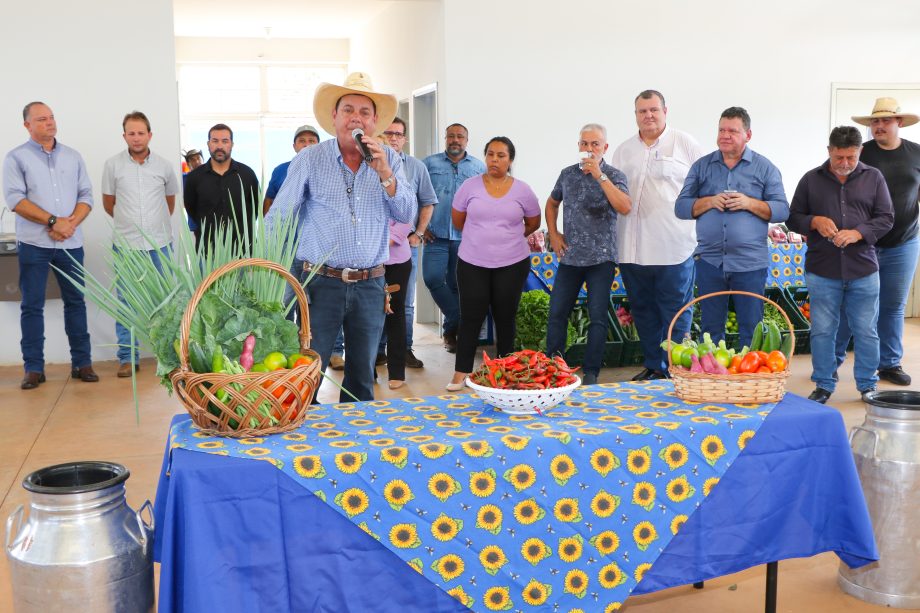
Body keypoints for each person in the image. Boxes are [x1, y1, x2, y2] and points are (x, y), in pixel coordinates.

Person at [265, 72, 415, 402]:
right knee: (309, 372)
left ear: (374, 121)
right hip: (320, 283)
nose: (355, 118)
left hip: (371, 285)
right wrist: (266, 270)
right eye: (348, 110)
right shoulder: (310, 158)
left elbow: (407, 213)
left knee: (363, 378)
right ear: (334, 117)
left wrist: (385, 175)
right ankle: (306, 446)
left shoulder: (389, 160)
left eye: (364, 112)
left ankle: (356, 447)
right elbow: (279, 218)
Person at [787, 126, 893, 404]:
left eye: (851, 157)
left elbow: (886, 217)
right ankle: (823, 383)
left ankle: (868, 385)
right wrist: (814, 221)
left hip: (864, 270)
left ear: (859, 152)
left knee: (866, 331)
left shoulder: (874, 178)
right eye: (839, 158)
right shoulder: (811, 180)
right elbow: (793, 217)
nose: (845, 164)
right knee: (822, 330)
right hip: (822, 270)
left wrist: (859, 233)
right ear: (829, 152)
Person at [675, 106, 789, 348]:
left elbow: (782, 210)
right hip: (710, 262)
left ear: (748, 135)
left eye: (732, 131)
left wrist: (750, 203)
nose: (725, 135)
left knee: (752, 328)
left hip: (749, 264)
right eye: (721, 130)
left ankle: (751, 382)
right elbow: (681, 208)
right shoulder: (701, 167)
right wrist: (708, 201)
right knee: (710, 329)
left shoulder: (765, 168)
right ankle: (715, 383)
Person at [3, 101, 98, 389]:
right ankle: (34, 368)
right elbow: (15, 200)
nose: (49, 122)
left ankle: (82, 363)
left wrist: (69, 224)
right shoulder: (15, 158)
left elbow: (87, 196)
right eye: (42, 119)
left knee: (76, 304)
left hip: (71, 243)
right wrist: (53, 221)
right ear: (27, 125)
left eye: (52, 117)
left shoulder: (73, 156)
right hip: (34, 244)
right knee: (32, 306)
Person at [612, 90, 705, 380]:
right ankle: (655, 365)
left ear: (665, 111)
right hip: (632, 248)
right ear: (635, 115)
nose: (648, 116)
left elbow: (705, 188)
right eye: (642, 111)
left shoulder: (685, 144)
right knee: (642, 309)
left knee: (675, 312)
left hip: (673, 247)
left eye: (653, 110)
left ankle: (677, 370)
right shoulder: (624, 150)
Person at [835, 98, 920, 386]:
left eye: (885, 121)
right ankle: (832, 359)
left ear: (899, 123)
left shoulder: (916, 154)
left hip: (904, 242)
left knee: (893, 306)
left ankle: (889, 363)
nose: (879, 126)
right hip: (863, 242)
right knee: (850, 303)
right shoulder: (860, 155)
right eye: (875, 121)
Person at [446, 136, 541, 391]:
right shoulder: (469, 186)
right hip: (472, 262)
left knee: (505, 318)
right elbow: (458, 220)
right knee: (470, 318)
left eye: (501, 155)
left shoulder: (523, 190)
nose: (494, 160)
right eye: (490, 154)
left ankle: (503, 373)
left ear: (510, 160)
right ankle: (461, 373)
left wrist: (506, 239)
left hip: (512, 262)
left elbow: (533, 222)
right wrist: (482, 239)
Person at [544, 124, 630, 386]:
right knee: (557, 313)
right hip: (570, 258)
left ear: (605, 147)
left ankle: (591, 373)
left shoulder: (614, 175)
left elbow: (624, 206)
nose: (589, 149)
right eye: (584, 143)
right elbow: (552, 202)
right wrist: (554, 234)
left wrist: (600, 176)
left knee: (598, 317)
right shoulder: (567, 174)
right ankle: (553, 369)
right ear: (578, 146)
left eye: (595, 144)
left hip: (601, 259)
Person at [102, 111, 178, 378]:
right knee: (126, 302)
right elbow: (108, 203)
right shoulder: (113, 165)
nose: (136, 138)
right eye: (131, 133)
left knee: (166, 302)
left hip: (160, 244)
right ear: (124, 136)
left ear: (150, 135)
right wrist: (131, 224)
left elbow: (169, 203)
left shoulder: (165, 166)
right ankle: (127, 358)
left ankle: (168, 357)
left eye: (141, 133)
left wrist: (153, 227)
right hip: (126, 246)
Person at [376, 117, 437, 369]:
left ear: (404, 138)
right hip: (372, 253)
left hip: (402, 248)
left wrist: (417, 234)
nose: (393, 138)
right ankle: (378, 352)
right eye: (388, 133)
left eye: (398, 134)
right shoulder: (368, 164)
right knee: (377, 302)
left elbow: (425, 202)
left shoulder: (416, 167)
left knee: (404, 304)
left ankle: (403, 351)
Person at [423, 124, 486, 353]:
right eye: (451, 136)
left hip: (465, 239)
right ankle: (459, 317)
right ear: (445, 138)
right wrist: (418, 227)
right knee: (432, 278)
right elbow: (413, 194)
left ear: (467, 140)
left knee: (459, 286)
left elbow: (484, 202)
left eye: (460, 136)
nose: (455, 140)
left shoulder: (479, 167)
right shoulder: (429, 164)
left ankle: (451, 334)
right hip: (435, 236)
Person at [183, 123, 259, 249]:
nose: (219, 146)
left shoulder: (247, 174)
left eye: (225, 141)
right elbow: (191, 208)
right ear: (208, 144)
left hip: (243, 250)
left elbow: (255, 208)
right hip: (208, 250)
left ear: (232, 144)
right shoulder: (194, 177)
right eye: (215, 141)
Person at [263, 124, 320, 214]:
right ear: (294, 146)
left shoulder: (328, 172)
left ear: (319, 146)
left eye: (311, 141)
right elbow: (269, 200)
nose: (306, 144)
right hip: (287, 227)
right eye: (302, 141)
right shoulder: (280, 171)